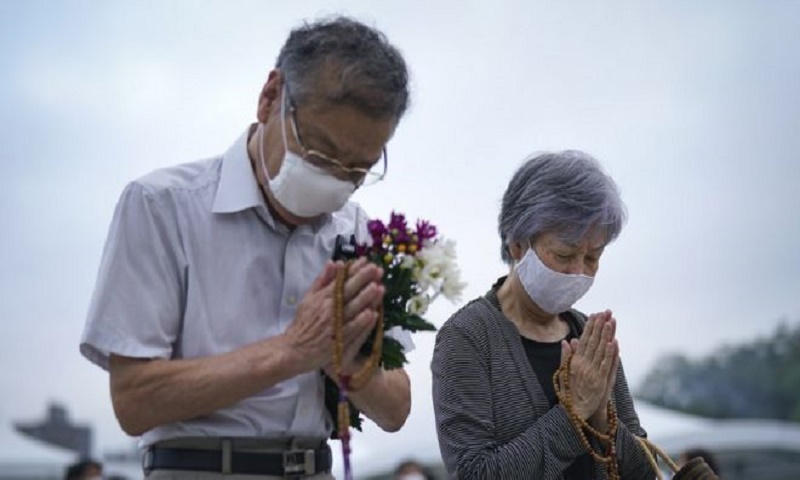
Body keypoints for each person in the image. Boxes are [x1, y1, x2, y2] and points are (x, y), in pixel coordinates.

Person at [80, 16, 413, 479]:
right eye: (319, 153)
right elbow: (134, 401)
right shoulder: (162, 206)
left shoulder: (356, 230)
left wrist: (347, 355)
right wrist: (293, 352)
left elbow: (396, 409)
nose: (334, 179)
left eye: (357, 170)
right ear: (270, 97)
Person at [431, 150, 657, 479]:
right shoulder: (468, 336)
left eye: (593, 258)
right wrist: (573, 413)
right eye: (564, 254)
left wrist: (601, 417)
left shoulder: (589, 336)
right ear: (517, 244)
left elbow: (643, 473)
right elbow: (472, 473)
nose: (578, 271)